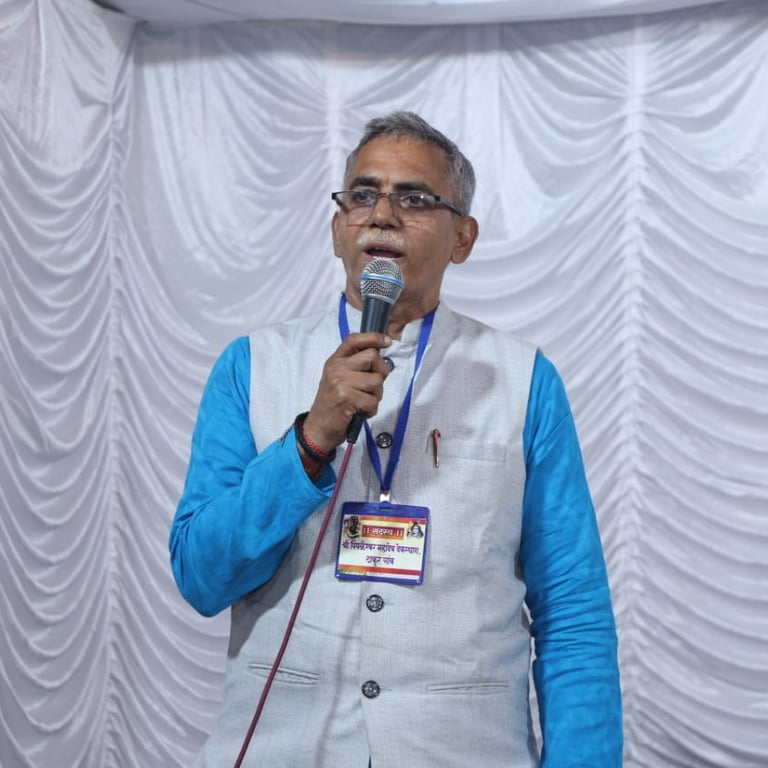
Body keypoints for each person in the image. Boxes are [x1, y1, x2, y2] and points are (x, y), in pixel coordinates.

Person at [170, 111, 623, 767]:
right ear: (337, 229)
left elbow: (573, 615)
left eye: (414, 199)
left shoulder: (523, 380)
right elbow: (201, 577)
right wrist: (310, 441)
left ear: (463, 237)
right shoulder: (251, 366)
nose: (382, 215)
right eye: (363, 195)